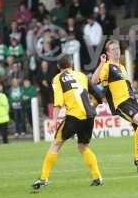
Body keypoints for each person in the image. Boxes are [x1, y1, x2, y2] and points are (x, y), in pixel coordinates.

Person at [32, 55, 104, 190]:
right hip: (89, 116)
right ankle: (97, 177)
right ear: (71, 65)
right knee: (83, 146)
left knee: (56, 144)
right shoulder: (81, 75)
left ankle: (43, 179)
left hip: (74, 115)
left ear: (59, 68)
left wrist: (53, 121)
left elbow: (58, 102)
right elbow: (99, 96)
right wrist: (92, 107)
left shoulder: (58, 78)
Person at [91, 40, 138, 172]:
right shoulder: (107, 66)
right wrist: (101, 63)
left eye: (117, 48)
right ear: (108, 52)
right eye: (113, 49)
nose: (116, 51)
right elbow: (94, 81)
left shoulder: (122, 67)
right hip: (121, 103)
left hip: (132, 101)